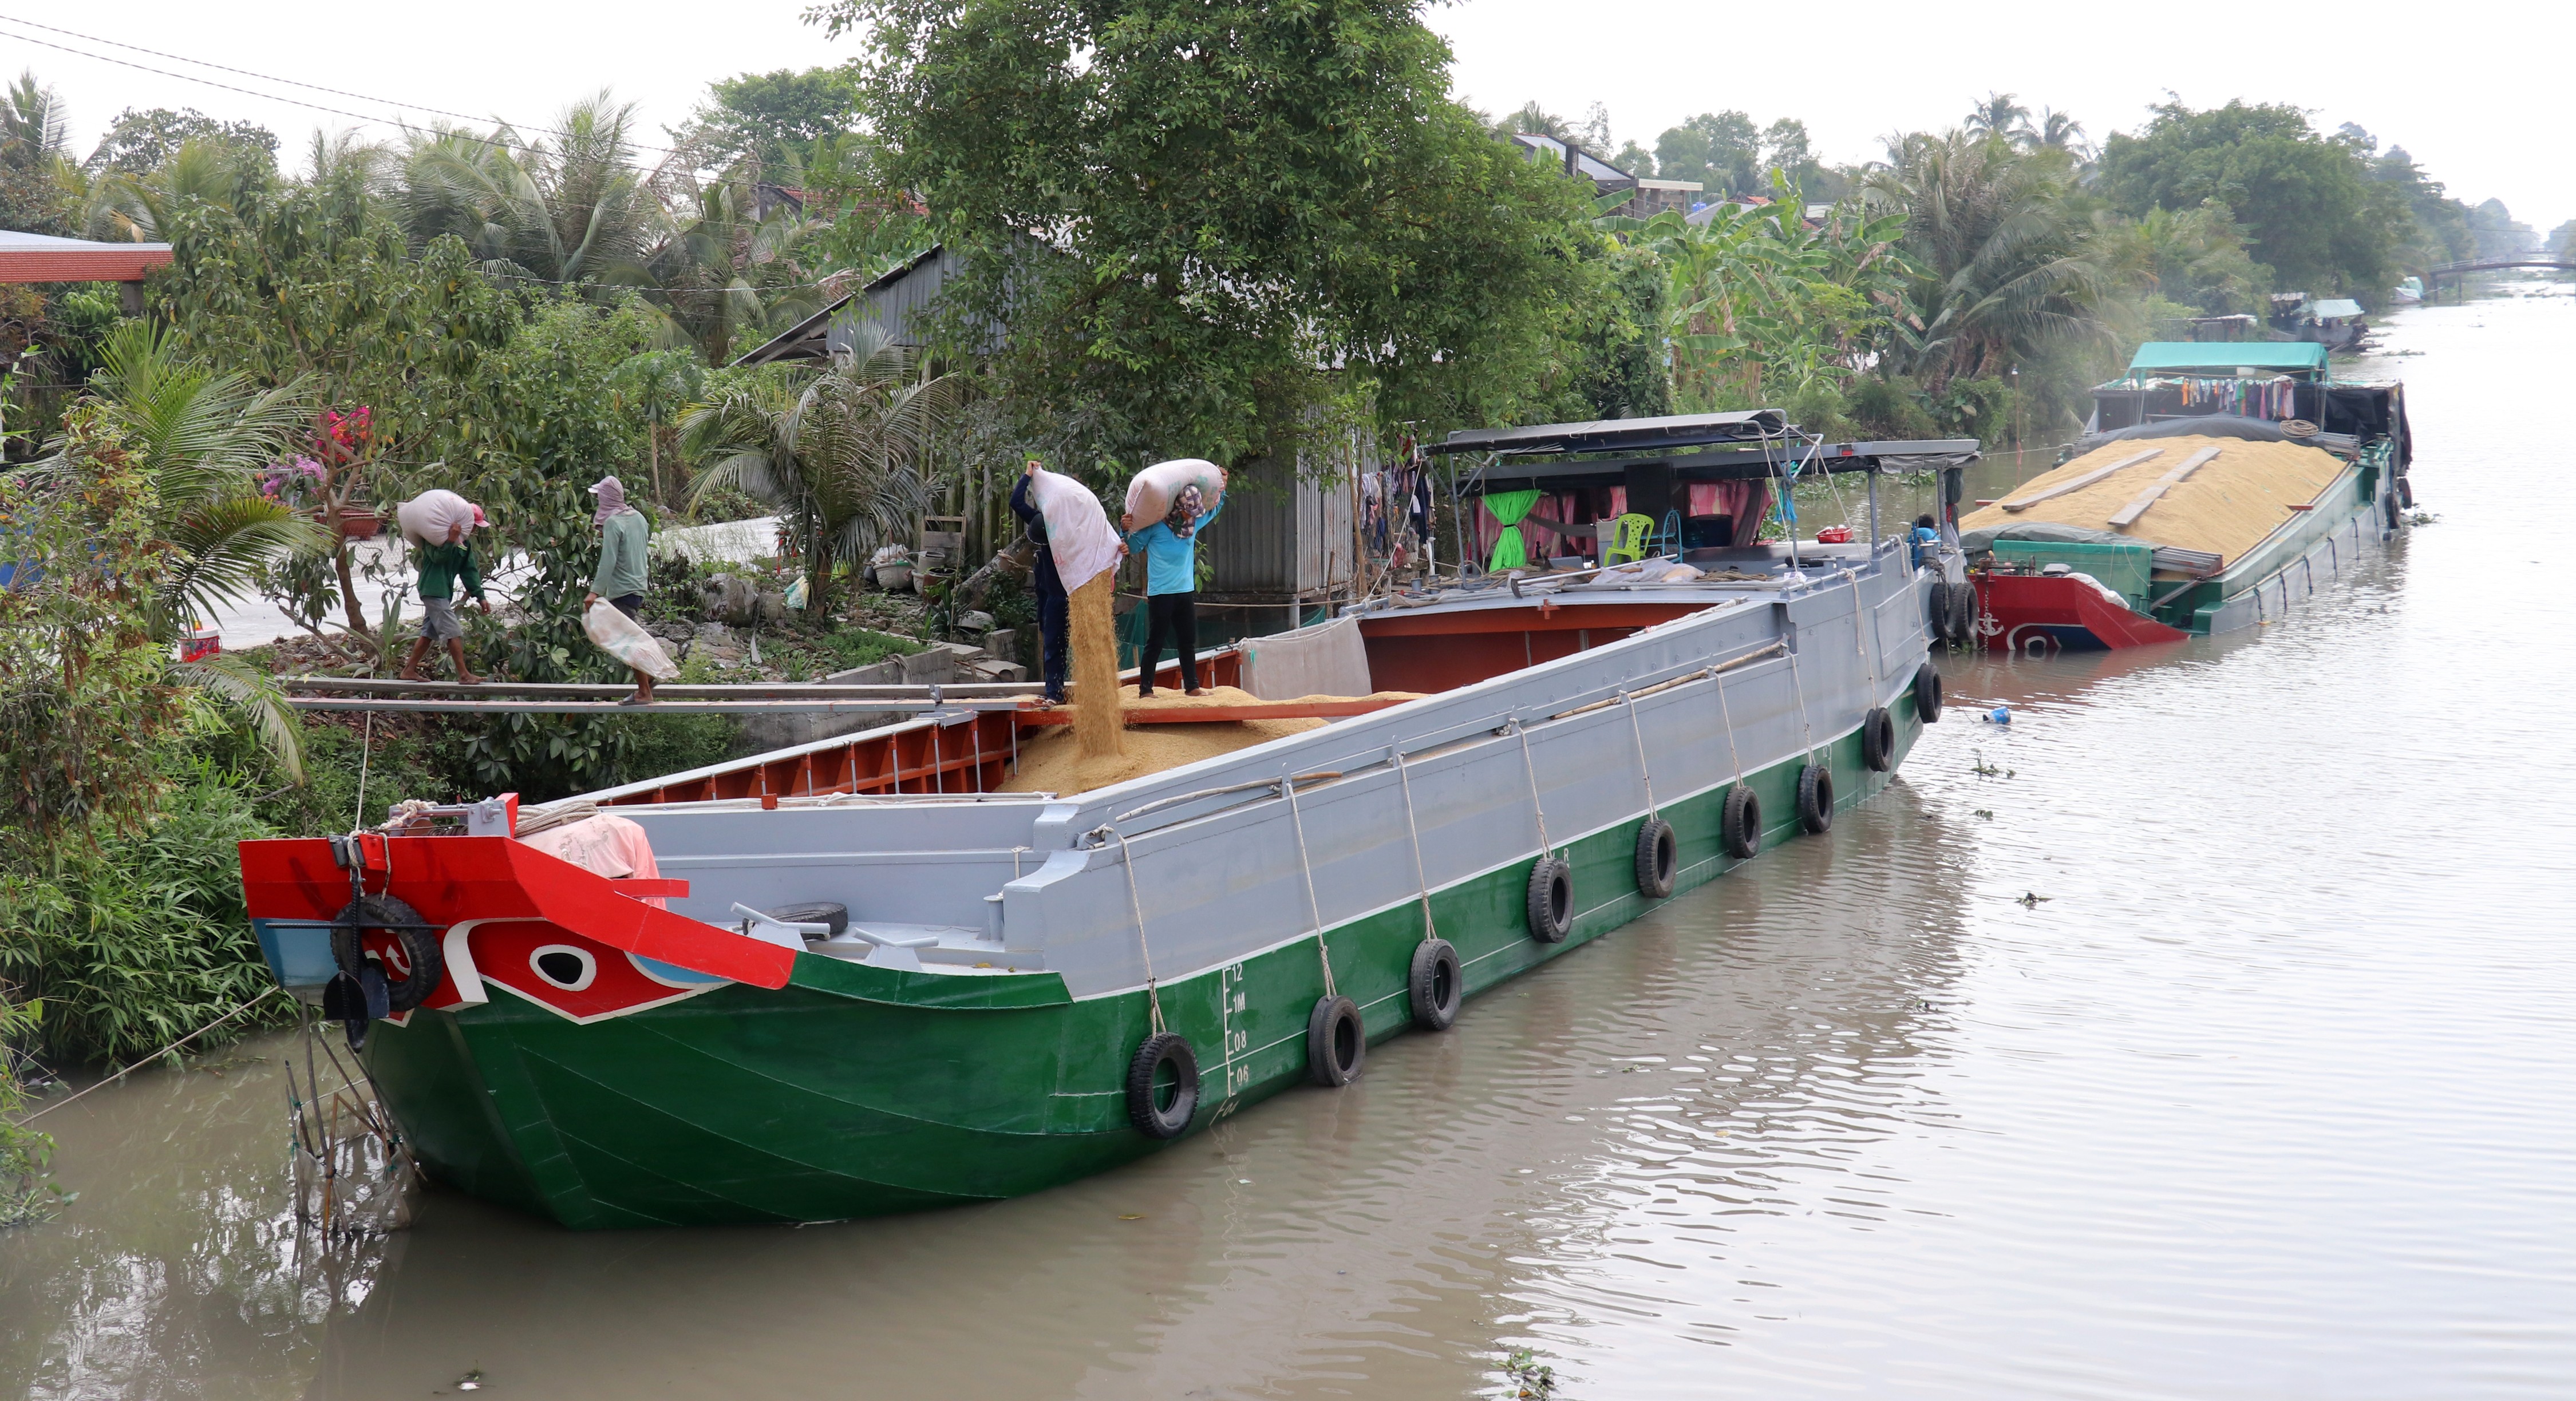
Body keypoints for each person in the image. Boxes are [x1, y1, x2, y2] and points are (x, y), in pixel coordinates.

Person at [1121, 471, 1226, 698]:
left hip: (1185, 592)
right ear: (1178, 508)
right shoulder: (1156, 527)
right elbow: (1134, 546)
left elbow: (1216, 508)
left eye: (1194, 513)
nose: (1192, 516)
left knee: (1187, 641)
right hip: (1161, 594)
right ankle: (1146, 689)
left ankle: (1192, 686)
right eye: (1189, 511)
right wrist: (1124, 528)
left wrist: (1222, 487)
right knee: (1156, 641)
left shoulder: (1193, 525)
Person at [398, 492, 489, 683]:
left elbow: (469, 571)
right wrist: (449, 541)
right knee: (453, 631)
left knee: (428, 633)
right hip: (433, 589)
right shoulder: (432, 540)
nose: (473, 530)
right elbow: (439, 558)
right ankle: (464, 674)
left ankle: (409, 670)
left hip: (442, 592)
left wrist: (480, 596)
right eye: (473, 526)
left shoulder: (465, 545)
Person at [582, 475, 657, 706]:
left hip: (622, 589)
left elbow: (608, 561)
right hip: (638, 587)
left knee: (628, 640)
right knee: (629, 635)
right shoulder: (639, 518)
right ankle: (649, 676)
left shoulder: (615, 523)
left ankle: (645, 690)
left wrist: (594, 592)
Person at [1009, 458, 1072, 705]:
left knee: (1057, 644)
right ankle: (1055, 690)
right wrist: (1027, 476)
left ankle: (1060, 693)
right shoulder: (1038, 520)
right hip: (1045, 592)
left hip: (1065, 594)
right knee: (1050, 640)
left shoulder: (1068, 535)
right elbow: (1016, 502)